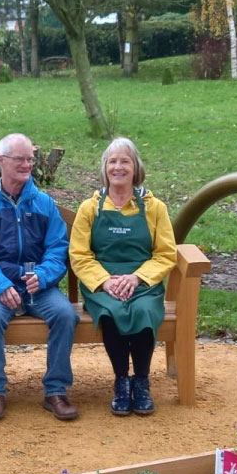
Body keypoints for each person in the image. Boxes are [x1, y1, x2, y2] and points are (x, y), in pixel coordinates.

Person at [0, 133, 79, 421]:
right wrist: (1, 285)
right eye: (20, 159)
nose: (27, 164)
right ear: (1, 161)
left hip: (39, 287)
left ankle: (56, 390)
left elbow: (57, 248)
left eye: (30, 159)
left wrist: (43, 275)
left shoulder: (44, 203)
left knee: (65, 314)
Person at [69, 137, 178, 416]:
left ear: (135, 168)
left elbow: (165, 254)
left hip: (143, 284)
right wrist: (105, 281)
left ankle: (141, 381)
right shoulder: (90, 208)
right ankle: (121, 381)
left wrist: (137, 278)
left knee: (142, 311)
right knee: (111, 312)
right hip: (102, 284)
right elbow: (79, 255)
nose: (118, 167)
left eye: (125, 161)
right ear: (105, 168)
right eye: (112, 161)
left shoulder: (155, 208)